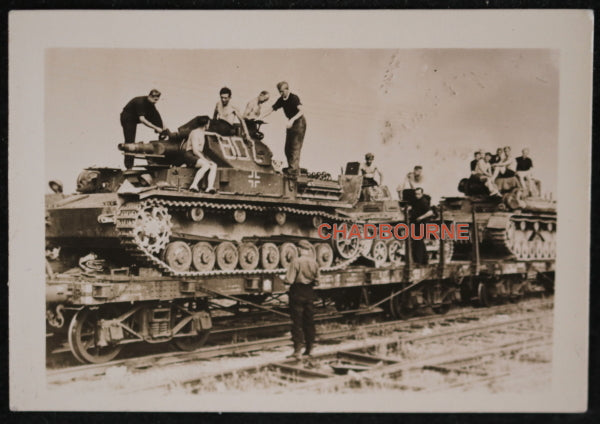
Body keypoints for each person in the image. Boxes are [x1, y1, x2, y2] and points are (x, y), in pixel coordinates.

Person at [261, 81, 306, 177]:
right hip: (291, 123)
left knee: (295, 147)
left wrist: (292, 120)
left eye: (282, 91)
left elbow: (302, 110)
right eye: (279, 92)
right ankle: (293, 168)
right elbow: (272, 109)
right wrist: (260, 116)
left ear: (287, 89)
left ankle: (293, 170)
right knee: (287, 148)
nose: (281, 94)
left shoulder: (294, 98)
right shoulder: (281, 99)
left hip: (299, 122)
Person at [285, 240, 320, 359]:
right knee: (309, 321)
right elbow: (318, 281)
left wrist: (283, 279)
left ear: (300, 249)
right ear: (308, 250)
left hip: (297, 292)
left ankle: (297, 351)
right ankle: (310, 349)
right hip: (309, 293)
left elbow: (289, 280)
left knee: (297, 322)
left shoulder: (296, 261)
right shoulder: (314, 263)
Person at [120, 89, 166, 169]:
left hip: (135, 117)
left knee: (155, 113)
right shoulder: (140, 102)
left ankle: (162, 135)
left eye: (157, 100)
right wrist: (155, 128)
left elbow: (156, 116)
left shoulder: (150, 103)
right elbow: (142, 119)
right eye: (155, 100)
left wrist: (163, 128)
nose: (155, 102)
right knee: (130, 141)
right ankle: (129, 166)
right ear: (150, 96)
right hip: (128, 118)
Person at [184, 116, 217, 194]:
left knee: (214, 165)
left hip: (197, 155)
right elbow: (195, 151)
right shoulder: (195, 133)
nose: (209, 125)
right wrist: (205, 160)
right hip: (190, 155)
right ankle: (194, 185)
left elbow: (205, 132)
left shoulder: (201, 132)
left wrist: (215, 134)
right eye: (208, 123)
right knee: (206, 165)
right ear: (206, 124)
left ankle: (210, 187)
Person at [409, 188, 435, 265]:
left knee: (418, 242)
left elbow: (430, 212)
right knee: (419, 242)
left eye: (418, 194)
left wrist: (421, 217)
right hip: (416, 223)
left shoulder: (423, 201)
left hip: (421, 224)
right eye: (416, 194)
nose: (417, 195)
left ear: (422, 194)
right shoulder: (416, 201)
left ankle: (418, 261)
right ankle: (424, 260)